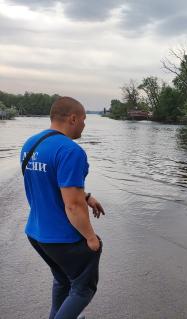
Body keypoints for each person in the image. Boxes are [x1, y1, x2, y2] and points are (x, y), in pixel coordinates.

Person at [20, 97, 105, 319]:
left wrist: (86, 196)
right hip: (62, 238)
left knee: (63, 280)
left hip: (36, 233)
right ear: (73, 118)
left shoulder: (31, 144)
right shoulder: (70, 151)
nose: (85, 125)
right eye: (84, 120)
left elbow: (49, 181)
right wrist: (91, 238)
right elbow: (72, 205)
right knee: (83, 289)